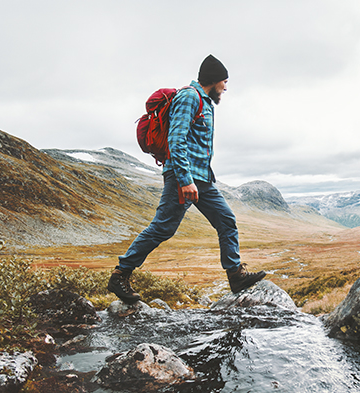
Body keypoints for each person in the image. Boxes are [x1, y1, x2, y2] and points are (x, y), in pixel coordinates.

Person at [108, 54, 265, 303]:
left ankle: (235, 275)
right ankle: (120, 274)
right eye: (224, 81)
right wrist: (184, 179)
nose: (226, 87)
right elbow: (176, 139)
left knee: (226, 220)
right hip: (184, 176)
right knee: (163, 227)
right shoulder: (190, 97)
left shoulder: (206, 102)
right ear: (213, 81)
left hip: (202, 178)